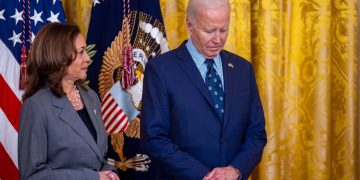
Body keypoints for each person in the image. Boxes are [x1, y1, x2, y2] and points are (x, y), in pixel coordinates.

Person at [141, 0, 267, 179]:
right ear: (190, 26)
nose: (218, 39)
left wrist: (235, 170)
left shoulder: (242, 69)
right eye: (209, 31)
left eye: (223, 30)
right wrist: (205, 176)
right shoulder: (161, 70)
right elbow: (154, 139)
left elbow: (256, 134)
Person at [18, 23, 119, 180]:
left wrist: (110, 173)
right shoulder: (36, 106)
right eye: (81, 52)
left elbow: (97, 156)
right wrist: (94, 178)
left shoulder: (91, 97)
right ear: (59, 57)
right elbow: (33, 176)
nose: (88, 58)